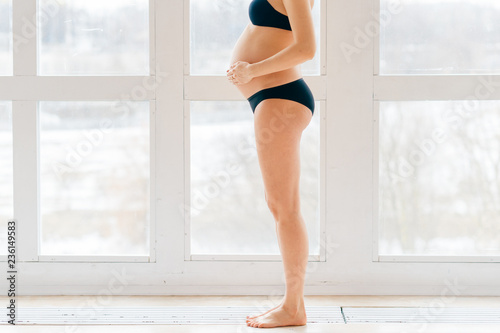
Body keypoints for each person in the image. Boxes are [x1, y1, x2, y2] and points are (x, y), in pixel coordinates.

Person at [226, 0, 316, 328]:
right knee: (279, 206)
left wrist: (251, 70)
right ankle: (292, 305)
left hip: (280, 96)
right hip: (272, 96)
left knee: (286, 209)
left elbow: (306, 48)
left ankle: (294, 308)